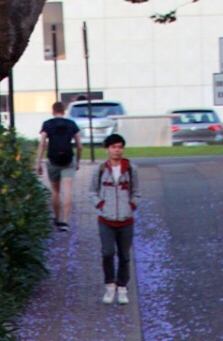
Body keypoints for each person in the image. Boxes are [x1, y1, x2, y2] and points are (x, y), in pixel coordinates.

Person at [91, 131, 138, 305]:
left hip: (126, 220)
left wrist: (131, 206)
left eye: (120, 147)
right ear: (107, 150)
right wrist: (100, 205)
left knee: (124, 255)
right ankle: (110, 286)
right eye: (113, 147)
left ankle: (122, 287)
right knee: (108, 252)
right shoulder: (101, 170)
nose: (117, 151)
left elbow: (136, 192)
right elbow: (92, 191)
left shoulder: (131, 169)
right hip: (106, 220)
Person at [37, 100, 82, 229]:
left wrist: (38, 163)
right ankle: (65, 222)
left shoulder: (47, 124)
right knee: (68, 191)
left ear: (53, 111)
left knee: (55, 191)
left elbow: (42, 144)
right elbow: (80, 146)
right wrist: (77, 161)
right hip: (68, 160)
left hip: (53, 161)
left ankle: (57, 218)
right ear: (64, 111)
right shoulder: (72, 124)